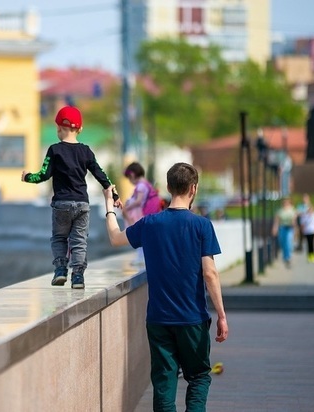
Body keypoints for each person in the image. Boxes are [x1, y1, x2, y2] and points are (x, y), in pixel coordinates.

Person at [102, 162, 228, 411]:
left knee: (164, 382)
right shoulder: (202, 225)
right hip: (192, 319)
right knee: (200, 377)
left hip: (159, 320)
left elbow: (116, 238)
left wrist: (109, 204)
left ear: (169, 188)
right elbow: (210, 273)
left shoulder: (150, 224)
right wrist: (222, 315)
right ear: (194, 188)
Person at [21, 105, 122, 289]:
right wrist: (114, 194)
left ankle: (60, 271)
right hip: (82, 204)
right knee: (79, 240)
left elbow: (43, 175)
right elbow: (101, 175)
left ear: (58, 128)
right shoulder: (86, 151)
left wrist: (28, 177)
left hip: (61, 204)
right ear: (80, 129)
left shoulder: (54, 150)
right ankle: (78, 276)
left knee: (59, 238)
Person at [122, 162, 162, 265]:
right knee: (143, 237)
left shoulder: (140, 186)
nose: (130, 181)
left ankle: (141, 258)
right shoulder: (146, 184)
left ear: (132, 175)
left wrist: (127, 207)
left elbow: (139, 201)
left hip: (142, 214)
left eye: (129, 178)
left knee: (140, 237)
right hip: (147, 213)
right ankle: (141, 258)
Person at [272, 197, 297, 268]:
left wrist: (293, 224)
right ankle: (285, 255)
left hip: (289, 228)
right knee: (282, 242)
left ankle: (287, 257)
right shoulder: (280, 211)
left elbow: (294, 219)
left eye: (287, 202)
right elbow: (277, 220)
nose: (285, 203)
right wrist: (275, 228)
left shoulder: (292, 210)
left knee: (288, 242)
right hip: (282, 227)